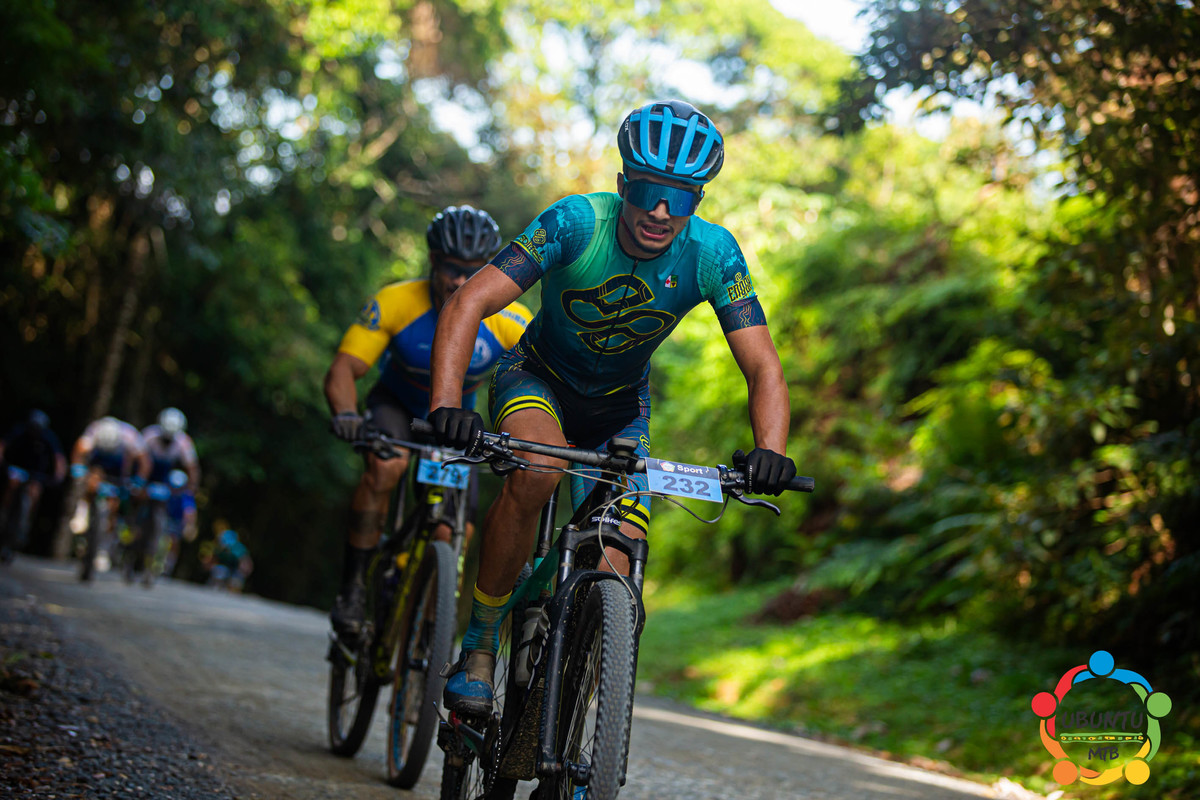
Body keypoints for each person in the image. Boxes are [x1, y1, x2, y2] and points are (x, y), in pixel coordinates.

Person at [426, 100, 798, 714]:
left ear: (698, 201)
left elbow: (763, 366)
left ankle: (571, 713)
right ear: (624, 185)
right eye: (649, 191)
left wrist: (771, 452)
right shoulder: (575, 222)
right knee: (539, 469)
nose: (660, 211)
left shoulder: (714, 254)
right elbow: (468, 302)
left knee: (619, 561)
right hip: (537, 380)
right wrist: (446, 404)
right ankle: (481, 646)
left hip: (621, 410)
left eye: (679, 198)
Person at [323, 205, 533, 639]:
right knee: (387, 467)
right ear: (433, 261)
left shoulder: (511, 320)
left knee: (454, 530)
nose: (460, 281)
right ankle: (353, 589)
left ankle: (428, 632)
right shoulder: (396, 302)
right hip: (397, 408)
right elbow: (344, 370)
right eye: (452, 269)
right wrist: (346, 414)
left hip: (456, 422)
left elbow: (539, 383)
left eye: (473, 271)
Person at [69, 415, 149, 578]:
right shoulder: (95, 430)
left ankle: (104, 546)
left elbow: (144, 462)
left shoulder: (130, 437)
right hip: (98, 464)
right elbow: (79, 449)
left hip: (119, 468)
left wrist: (139, 480)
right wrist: (77, 468)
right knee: (91, 480)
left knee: (114, 503)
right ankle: (82, 510)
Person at [137, 407, 200, 584]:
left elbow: (192, 468)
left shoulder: (184, 443)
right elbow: (139, 460)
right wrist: (139, 483)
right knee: (136, 500)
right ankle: (132, 528)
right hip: (147, 471)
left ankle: (153, 561)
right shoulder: (149, 436)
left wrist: (191, 489)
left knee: (163, 516)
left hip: (166, 478)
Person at [0, 410, 68, 562]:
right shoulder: (20, 430)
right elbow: (3, 444)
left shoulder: (48, 437)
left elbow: (58, 458)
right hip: (17, 467)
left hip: (36, 473)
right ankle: (4, 511)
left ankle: (26, 521)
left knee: (34, 492)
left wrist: (59, 475)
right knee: (12, 485)